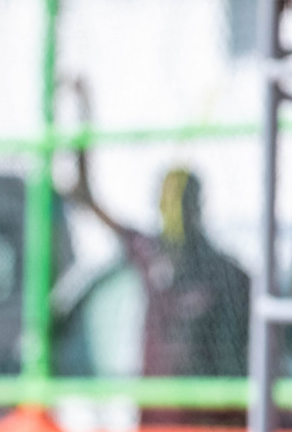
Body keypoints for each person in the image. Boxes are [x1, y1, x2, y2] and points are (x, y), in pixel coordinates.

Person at [66, 81, 250, 379]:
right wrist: (83, 114)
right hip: (155, 412)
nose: (175, 211)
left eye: (183, 201)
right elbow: (85, 195)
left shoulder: (224, 272)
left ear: (197, 207)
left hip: (205, 414)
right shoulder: (148, 250)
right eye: (168, 201)